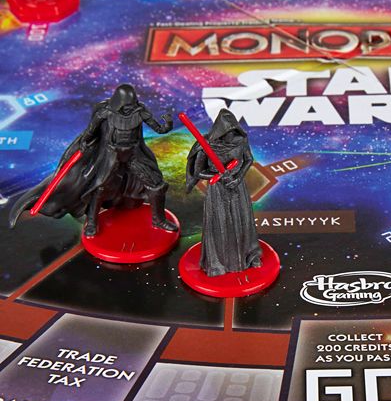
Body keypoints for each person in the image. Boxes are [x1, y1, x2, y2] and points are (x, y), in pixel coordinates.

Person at [9, 84, 178, 236]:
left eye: (132, 104)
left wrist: (168, 124)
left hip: (134, 154)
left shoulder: (140, 111)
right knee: (99, 188)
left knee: (156, 185)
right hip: (111, 155)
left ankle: (158, 220)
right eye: (127, 105)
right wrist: (84, 143)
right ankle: (92, 222)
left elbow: (159, 129)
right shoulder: (105, 112)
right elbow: (91, 131)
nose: (129, 108)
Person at [185, 109, 262, 277]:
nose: (232, 136)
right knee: (219, 223)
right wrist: (218, 176)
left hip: (237, 186)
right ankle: (217, 263)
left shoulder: (240, 141)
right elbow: (198, 172)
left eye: (234, 131)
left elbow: (248, 159)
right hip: (217, 191)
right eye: (228, 133)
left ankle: (250, 255)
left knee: (243, 219)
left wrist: (237, 178)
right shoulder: (206, 145)